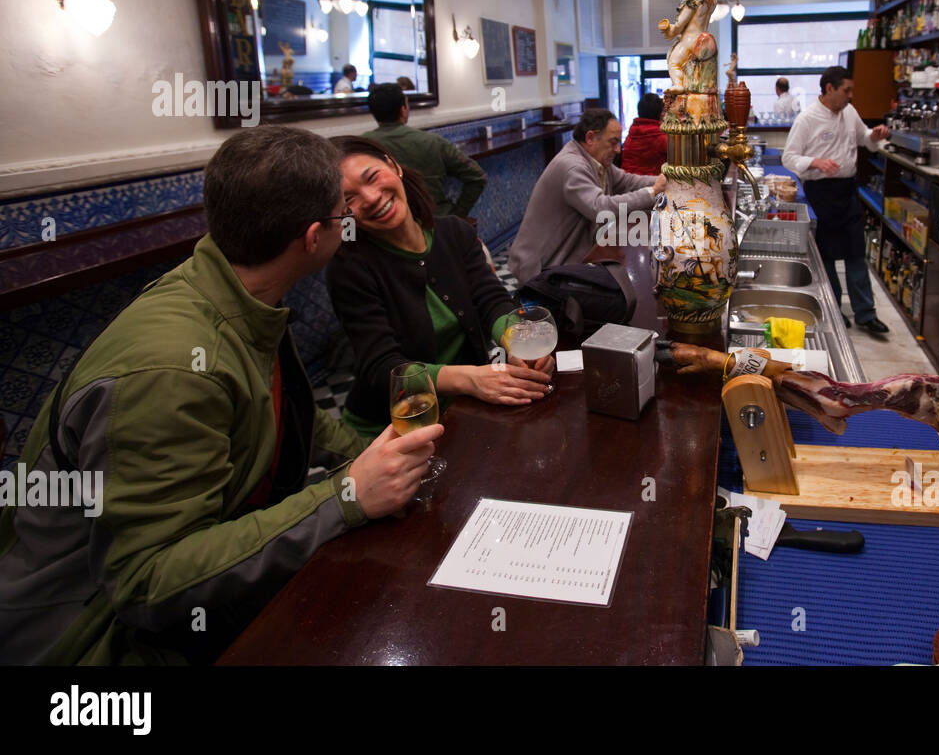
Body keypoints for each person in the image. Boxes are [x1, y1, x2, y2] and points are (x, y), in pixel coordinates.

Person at [0, 127, 439, 664]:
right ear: (312, 237)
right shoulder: (173, 371)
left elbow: (288, 413)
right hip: (89, 641)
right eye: (341, 213)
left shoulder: (235, 289)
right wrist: (344, 495)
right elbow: (146, 584)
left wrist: (371, 455)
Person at [327, 138, 554, 438]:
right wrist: (470, 379)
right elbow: (381, 367)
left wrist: (519, 342)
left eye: (372, 177)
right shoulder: (349, 268)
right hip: (394, 425)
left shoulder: (454, 233)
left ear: (394, 165)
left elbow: (491, 300)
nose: (369, 198)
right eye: (349, 199)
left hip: (465, 406)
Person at [783, 65, 891, 333]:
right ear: (829, 88)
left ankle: (866, 313)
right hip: (822, 194)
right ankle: (834, 310)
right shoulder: (807, 119)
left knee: (856, 253)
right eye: (847, 90)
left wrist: (873, 137)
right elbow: (789, 157)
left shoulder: (849, 112)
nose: (850, 96)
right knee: (828, 256)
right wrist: (816, 162)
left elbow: (864, 139)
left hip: (848, 190)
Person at [509, 109, 667, 285]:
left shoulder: (597, 161)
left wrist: (667, 180)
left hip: (564, 259)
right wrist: (652, 192)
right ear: (590, 138)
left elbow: (628, 181)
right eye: (613, 142)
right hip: (540, 267)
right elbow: (599, 208)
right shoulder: (572, 166)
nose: (618, 149)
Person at [363, 82, 486, 219]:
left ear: (373, 113)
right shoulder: (432, 141)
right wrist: (458, 214)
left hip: (388, 227)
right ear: (403, 109)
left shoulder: (362, 147)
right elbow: (477, 176)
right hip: (436, 221)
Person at [620, 92, 668, 176]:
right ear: (659, 113)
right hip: (650, 183)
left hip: (627, 180)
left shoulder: (633, 131)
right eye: (663, 111)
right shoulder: (659, 138)